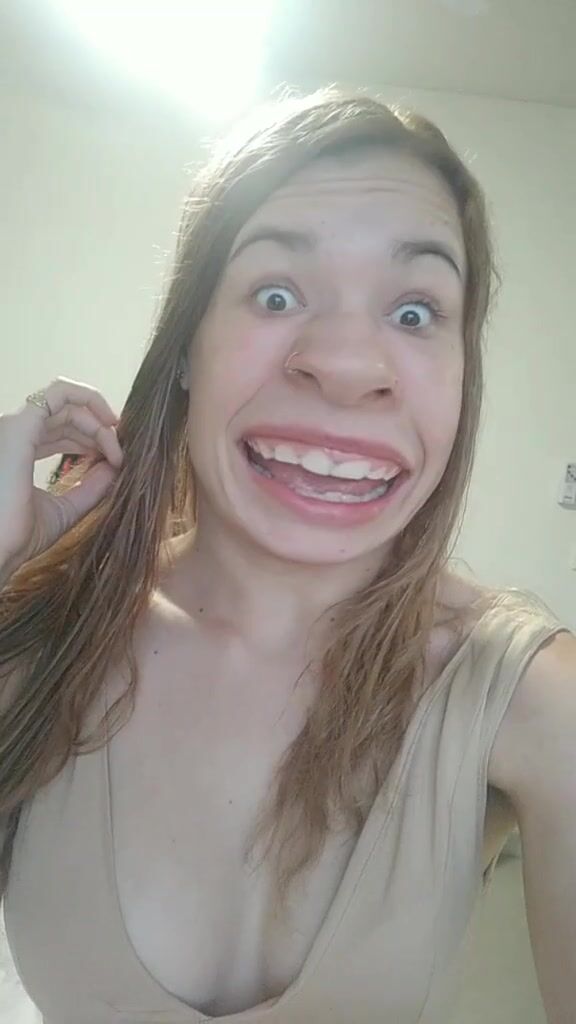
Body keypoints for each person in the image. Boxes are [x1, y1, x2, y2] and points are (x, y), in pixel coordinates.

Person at [0, 87, 575, 1024]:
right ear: (184, 352)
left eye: (416, 312)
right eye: (276, 294)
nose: (347, 367)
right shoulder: (45, 637)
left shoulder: (533, 696)